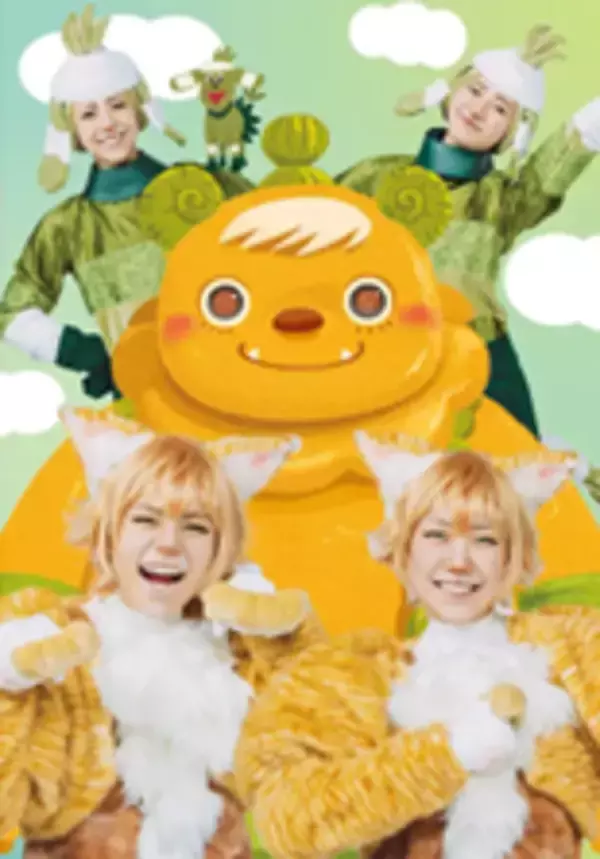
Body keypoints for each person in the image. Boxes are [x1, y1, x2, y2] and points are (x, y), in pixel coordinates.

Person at [234, 437, 600, 859]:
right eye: (437, 535)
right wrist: (443, 756)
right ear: (403, 549)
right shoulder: (357, 675)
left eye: (484, 539)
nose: (459, 560)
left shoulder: (569, 648)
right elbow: (288, 820)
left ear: (514, 557)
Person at [0, 407, 322, 859]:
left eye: (195, 526)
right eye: (146, 520)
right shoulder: (66, 641)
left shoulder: (238, 656)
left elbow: (316, 722)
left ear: (220, 548)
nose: (169, 543)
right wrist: (15, 672)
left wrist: (271, 624)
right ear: (108, 535)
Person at [337, 25, 600, 437]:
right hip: (377, 340)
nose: (479, 109)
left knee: (513, 453)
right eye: (475, 90)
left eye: (500, 109)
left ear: (513, 134)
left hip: (477, 346)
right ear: (451, 91)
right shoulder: (376, 175)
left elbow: (553, 167)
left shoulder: (502, 202)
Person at [0, 5, 186, 400]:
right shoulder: (68, 226)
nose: (107, 124)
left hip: (232, 388)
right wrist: (89, 354)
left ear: (139, 109)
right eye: (88, 114)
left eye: (117, 105)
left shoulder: (196, 189)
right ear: (72, 131)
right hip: (142, 402)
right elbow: (13, 314)